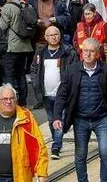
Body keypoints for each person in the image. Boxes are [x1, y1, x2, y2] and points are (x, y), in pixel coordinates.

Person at [53, 38, 107, 182]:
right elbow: (62, 94)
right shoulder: (72, 70)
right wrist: (57, 116)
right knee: (80, 156)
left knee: (105, 153)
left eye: (91, 51)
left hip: (102, 119)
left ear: (98, 53)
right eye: (85, 51)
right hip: (80, 120)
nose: (87, 54)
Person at [29, 25, 75, 159]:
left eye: (56, 34)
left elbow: (74, 70)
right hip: (46, 93)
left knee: (59, 119)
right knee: (51, 119)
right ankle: (56, 140)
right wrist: (36, 84)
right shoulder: (40, 52)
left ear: (60, 36)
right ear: (45, 37)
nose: (53, 37)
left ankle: (56, 146)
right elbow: (34, 69)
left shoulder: (68, 52)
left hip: (62, 94)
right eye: (50, 35)